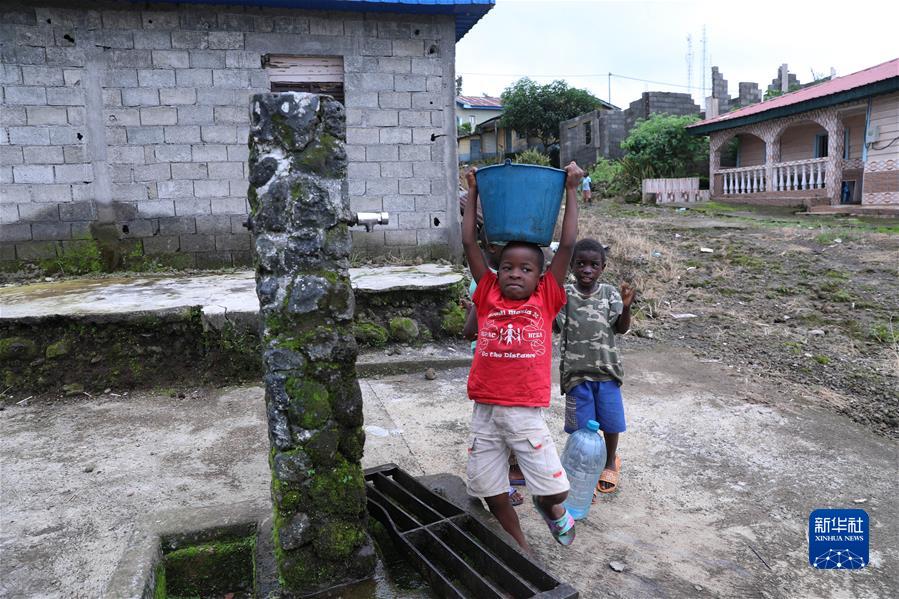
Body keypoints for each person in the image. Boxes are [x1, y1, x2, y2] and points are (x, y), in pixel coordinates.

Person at [462, 161, 583, 550]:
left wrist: (571, 190)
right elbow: (469, 244)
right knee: (488, 488)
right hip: (485, 410)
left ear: (541, 277)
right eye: (508, 267)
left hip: (524, 412)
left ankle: (550, 511)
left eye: (526, 268)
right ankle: (522, 547)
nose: (515, 273)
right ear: (496, 272)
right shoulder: (487, 292)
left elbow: (566, 246)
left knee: (554, 492)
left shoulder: (546, 297)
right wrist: (474, 192)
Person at [554, 238, 634, 498]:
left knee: (611, 423)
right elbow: (554, 326)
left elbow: (621, 329)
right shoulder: (564, 294)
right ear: (572, 266)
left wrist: (626, 307)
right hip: (576, 375)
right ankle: (581, 468)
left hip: (607, 372)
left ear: (603, 267)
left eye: (593, 265)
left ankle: (610, 461)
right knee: (580, 429)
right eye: (581, 264)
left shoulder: (610, 293)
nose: (587, 269)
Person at [461, 239, 526, 507]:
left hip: (498, 363)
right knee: (496, 427)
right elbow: (468, 331)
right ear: (492, 250)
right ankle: (500, 481)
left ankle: (505, 474)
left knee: (500, 425)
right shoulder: (486, 285)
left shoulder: (491, 283)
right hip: (494, 366)